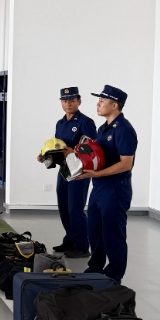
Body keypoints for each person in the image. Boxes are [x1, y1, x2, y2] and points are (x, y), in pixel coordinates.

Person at [73, 85, 138, 284]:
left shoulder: (124, 129)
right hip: (99, 186)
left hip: (115, 188)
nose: (98, 104)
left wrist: (97, 173)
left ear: (114, 105)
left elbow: (126, 164)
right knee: (94, 231)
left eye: (102, 101)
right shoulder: (103, 129)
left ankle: (114, 276)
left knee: (113, 233)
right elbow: (97, 157)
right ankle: (95, 269)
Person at [41, 88, 98, 259]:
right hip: (64, 170)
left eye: (72, 101)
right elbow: (57, 146)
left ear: (79, 102)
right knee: (64, 207)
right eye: (65, 101)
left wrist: (74, 151)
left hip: (79, 171)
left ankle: (81, 246)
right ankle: (70, 239)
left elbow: (93, 148)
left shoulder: (85, 122)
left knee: (75, 209)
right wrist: (45, 155)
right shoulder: (60, 123)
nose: (68, 104)